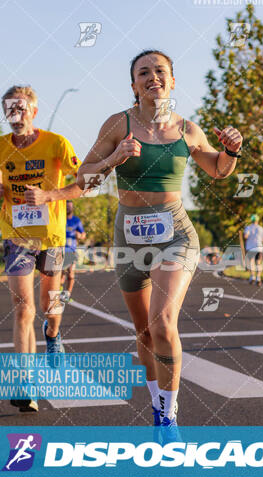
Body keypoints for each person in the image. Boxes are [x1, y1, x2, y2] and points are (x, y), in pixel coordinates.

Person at [77, 50, 242, 437]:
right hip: (128, 235)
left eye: (160, 71)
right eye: (144, 72)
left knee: (163, 321)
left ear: (172, 80)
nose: (153, 77)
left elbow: (218, 170)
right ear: (134, 85)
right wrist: (113, 158)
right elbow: (84, 176)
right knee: (144, 332)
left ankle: (169, 417)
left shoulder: (187, 130)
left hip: (176, 234)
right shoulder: (118, 124)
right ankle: (156, 406)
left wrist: (232, 150)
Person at [0, 85, 82, 413]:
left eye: (21, 109)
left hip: (52, 238)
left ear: (34, 112)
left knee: (49, 307)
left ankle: (53, 335)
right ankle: (25, 383)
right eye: (10, 110)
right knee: (23, 309)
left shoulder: (56, 143)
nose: (16, 116)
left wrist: (48, 197)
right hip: (17, 237)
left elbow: (85, 183)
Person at [61, 200, 86, 302]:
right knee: (60, 276)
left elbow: (83, 235)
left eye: (70, 207)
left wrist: (79, 235)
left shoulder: (76, 221)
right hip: (59, 251)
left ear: (72, 208)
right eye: (66, 207)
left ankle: (67, 295)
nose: (68, 208)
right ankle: (59, 293)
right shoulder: (60, 219)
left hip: (71, 251)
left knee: (71, 275)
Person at [243, 214, 263, 286]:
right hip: (259, 247)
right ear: (257, 221)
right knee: (258, 263)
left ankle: (252, 277)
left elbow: (246, 236)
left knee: (251, 263)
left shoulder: (248, 228)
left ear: (251, 220)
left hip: (250, 248)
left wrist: (247, 236)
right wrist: (260, 239)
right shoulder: (261, 228)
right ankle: (258, 278)